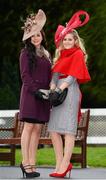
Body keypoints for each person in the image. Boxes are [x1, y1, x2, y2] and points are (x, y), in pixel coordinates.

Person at [48, 10, 91, 178]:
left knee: (68, 130)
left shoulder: (78, 54)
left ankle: (66, 164)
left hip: (69, 93)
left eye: (70, 39)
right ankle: (59, 163)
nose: (66, 42)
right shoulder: (61, 55)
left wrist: (60, 88)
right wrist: (53, 84)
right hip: (58, 91)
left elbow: (72, 76)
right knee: (53, 129)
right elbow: (56, 74)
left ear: (75, 41)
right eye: (64, 39)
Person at [19, 9, 51, 178]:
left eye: (38, 35)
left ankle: (33, 163)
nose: (36, 38)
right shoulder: (25, 53)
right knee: (29, 127)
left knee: (38, 129)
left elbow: (50, 75)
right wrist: (36, 91)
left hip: (44, 96)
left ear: (41, 36)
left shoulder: (46, 54)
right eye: (32, 36)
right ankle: (25, 163)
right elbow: (25, 76)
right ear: (29, 39)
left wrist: (51, 90)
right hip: (31, 95)